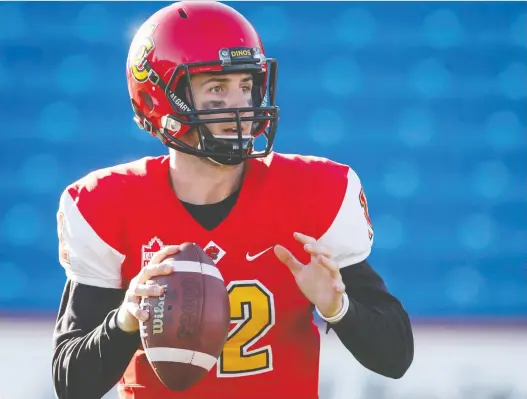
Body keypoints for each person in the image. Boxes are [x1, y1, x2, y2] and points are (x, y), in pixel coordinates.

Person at [51, 2, 414, 398]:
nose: (240, 105)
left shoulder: (313, 194)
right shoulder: (108, 204)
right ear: (160, 98)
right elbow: (71, 385)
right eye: (217, 89)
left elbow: (396, 358)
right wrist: (124, 319)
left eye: (246, 86)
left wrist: (338, 308)